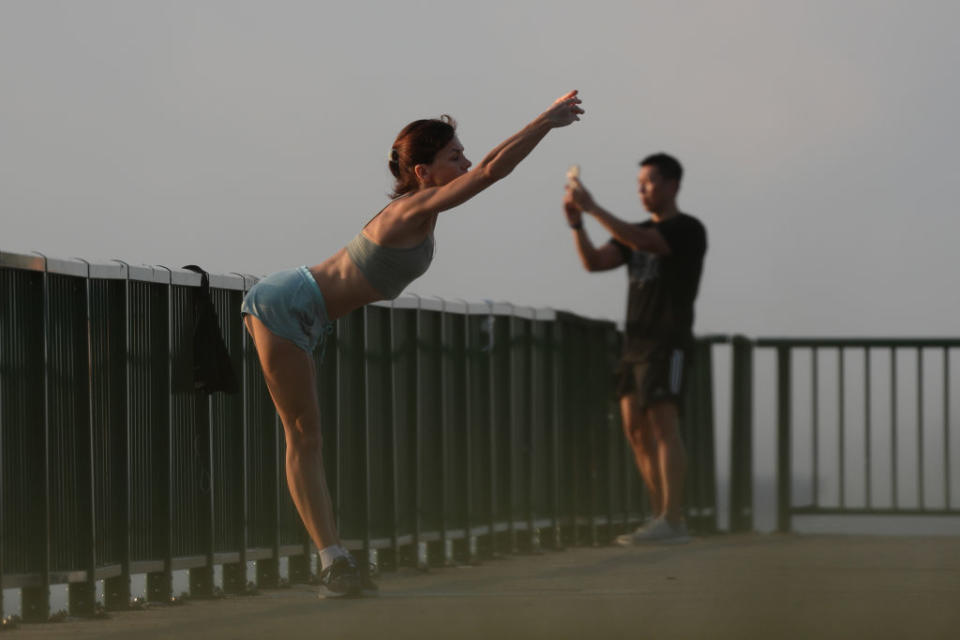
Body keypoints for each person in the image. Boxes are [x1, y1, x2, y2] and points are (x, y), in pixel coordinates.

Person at [241, 90, 584, 597]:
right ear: (422, 172)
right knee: (303, 434)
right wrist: (546, 122)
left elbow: (481, 168)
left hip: (310, 317)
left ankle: (337, 559)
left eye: (462, 153)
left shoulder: (423, 213)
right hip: (285, 305)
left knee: (309, 435)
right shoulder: (411, 210)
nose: (465, 161)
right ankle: (333, 563)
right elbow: (490, 171)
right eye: (453, 156)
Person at [562, 153, 706, 545]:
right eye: (639, 183)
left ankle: (673, 518)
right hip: (635, 345)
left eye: (650, 182)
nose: (642, 189)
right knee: (635, 430)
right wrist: (577, 224)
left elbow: (647, 242)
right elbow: (595, 262)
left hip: (668, 342)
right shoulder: (632, 231)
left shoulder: (687, 230)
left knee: (663, 425)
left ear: (673, 184)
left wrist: (593, 207)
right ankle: (659, 517)